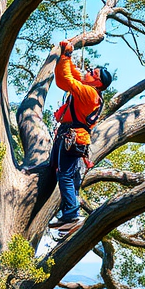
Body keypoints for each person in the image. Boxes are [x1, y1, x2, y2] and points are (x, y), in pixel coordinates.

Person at [47, 40, 111, 232]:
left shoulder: (89, 93)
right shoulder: (89, 90)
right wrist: (68, 55)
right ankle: (68, 214)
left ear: (98, 83)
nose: (89, 72)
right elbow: (72, 73)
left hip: (73, 136)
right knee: (66, 173)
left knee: (65, 175)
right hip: (70, 136)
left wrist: (66, 55)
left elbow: (64, 81)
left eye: (93, 73)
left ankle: (72, 215)